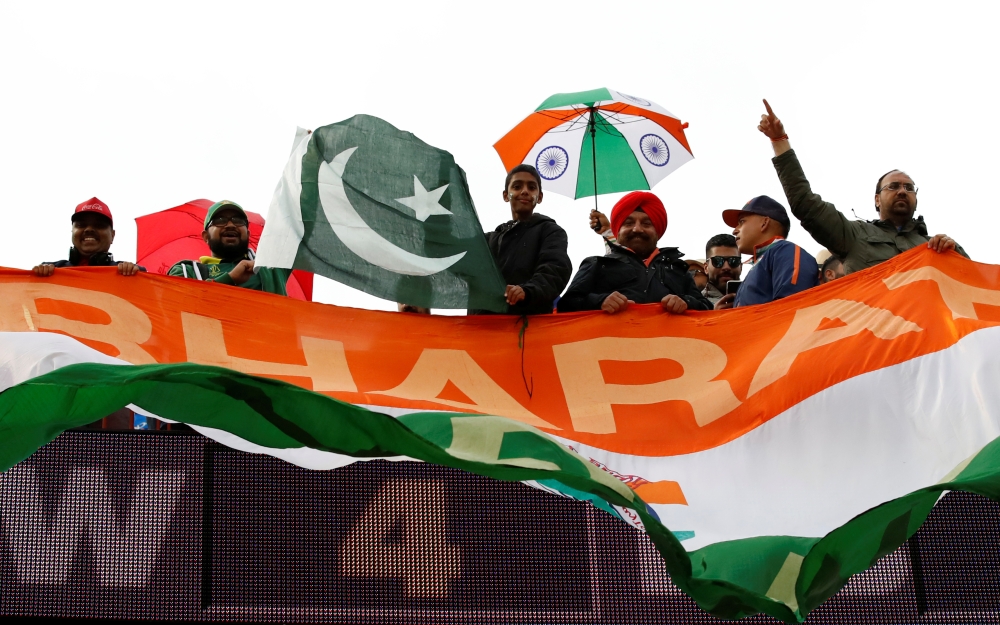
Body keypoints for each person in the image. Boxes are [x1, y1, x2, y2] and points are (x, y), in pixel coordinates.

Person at [758, 100, 967, 273]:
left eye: (909, 188)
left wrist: (954, 254)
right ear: (877, 199)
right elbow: (806, 204)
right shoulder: (853, 236)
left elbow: (976, 290)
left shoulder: (935, 246)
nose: (903, 191)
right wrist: (779, 141)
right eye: (893, 186)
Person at [558, 191, 711, 314]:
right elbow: (566, 304)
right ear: (617, 232)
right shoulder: (597, 264)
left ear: (658, 231)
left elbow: (708, 308)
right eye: (629, 223)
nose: (637, 229)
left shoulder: (678, 270)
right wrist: (600, 301)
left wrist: (686, 302)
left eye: (646, 223)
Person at [471, 164, 571, 315]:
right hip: (482, 329)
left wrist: (528, 290)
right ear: (506, 195)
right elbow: (455, 259)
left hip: (527, 328)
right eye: (517, 187)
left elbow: (555, 270)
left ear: (540, 197)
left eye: (531, 188)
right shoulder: (485, 241)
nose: (525, 191)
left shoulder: (550, 231)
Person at [168, 200, 291, 295]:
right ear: (206, 236)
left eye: (238, 220)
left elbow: (301, 219)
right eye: (220, 220)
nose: (231, 225)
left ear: (248, 234)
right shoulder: (186, 272)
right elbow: (175, 308)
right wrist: (230, 279)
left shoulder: (272, 265)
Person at [723, 195, 818, 307]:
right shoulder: (764, 260)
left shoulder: (786, 251)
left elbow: (792, 308)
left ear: (764, 223)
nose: (735, 231)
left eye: (742, 222)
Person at [32, 197, 144, 277]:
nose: (89, 229)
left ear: (112, 235)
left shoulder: (130, 273)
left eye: (99, 225)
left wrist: (139, 278)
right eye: (81, 225)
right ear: (72, 231)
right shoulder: (51, 271)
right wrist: (36, 281)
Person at [702, 234, 743, 307]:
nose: (726, 267)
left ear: (741, 267)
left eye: (733, 261)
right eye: (718, 261)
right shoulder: (696, 303)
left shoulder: (756, 297)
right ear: (706, 268)